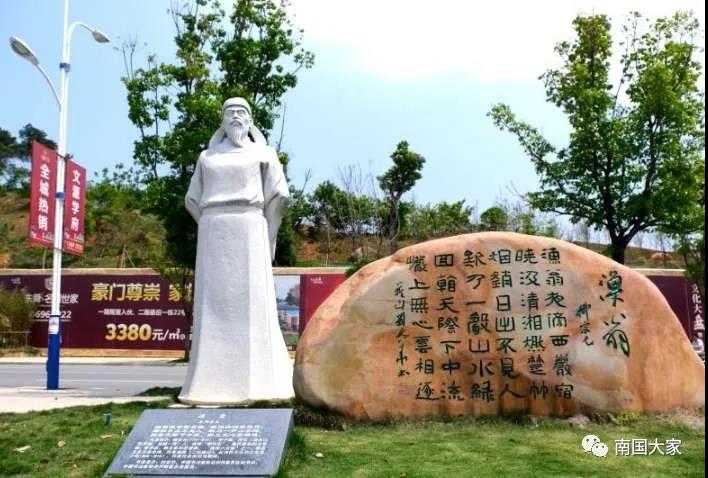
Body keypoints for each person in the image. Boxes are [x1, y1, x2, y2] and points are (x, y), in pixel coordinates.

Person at [178, 97, 294, 405]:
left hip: (249, 224)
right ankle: (206, 383)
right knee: (213, 303)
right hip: (214, 227)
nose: (236, 117)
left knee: (253, 301)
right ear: (222, 120)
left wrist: (268, 227)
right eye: (230, 112)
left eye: (241, 112)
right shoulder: (207, 157)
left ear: (250, 119)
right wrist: (209, 224)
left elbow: (279, 194)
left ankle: (263, 382)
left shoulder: (264, 153)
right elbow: (192, 199)